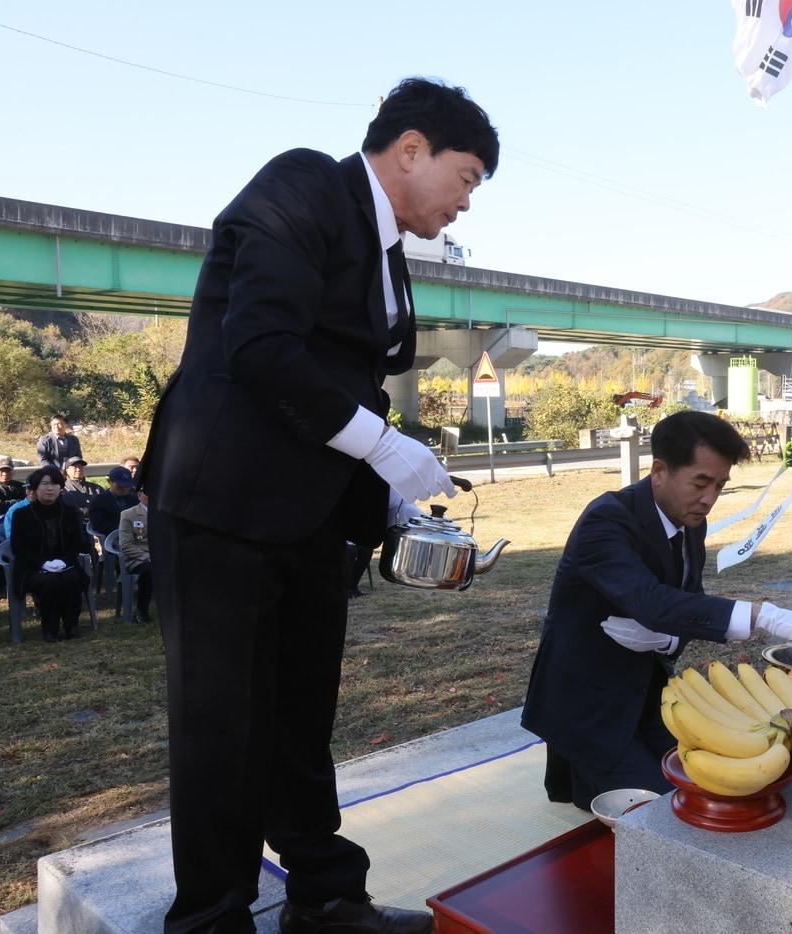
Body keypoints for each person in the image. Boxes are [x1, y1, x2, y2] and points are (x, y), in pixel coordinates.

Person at [139, 76, 498, 934]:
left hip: (305, 514)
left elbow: (349, 382)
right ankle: (213, 916)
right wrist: (382, 445)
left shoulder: (386, 252)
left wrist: (394, 503)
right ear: (411, 149)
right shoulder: (303, 184)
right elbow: (261, 346)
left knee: (302, 714)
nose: (464, 204)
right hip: (221, 504)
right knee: (220, 722)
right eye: (467, 178)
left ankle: (326, 895)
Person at [521, 411, 792, 811]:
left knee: (717, 784)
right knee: (666, 808)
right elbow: (651, 601)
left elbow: (685, 599)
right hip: (588, 707)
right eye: (701, 482)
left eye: (719, 485)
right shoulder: (606, 521)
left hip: (650, 694)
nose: (710, 498)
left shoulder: (690, 521)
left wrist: (670, 637)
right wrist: (762, 615)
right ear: (659, 470)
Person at [9, 466, 88, 642]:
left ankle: (71, 625)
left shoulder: (70, 512)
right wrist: (42, 564)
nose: (50, 488)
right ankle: (50, 628)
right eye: (44, 484)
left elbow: (77, 543)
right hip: (33, 567)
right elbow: (18, 547)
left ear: (61, 488)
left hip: (65, 563)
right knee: (49, 581)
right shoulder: (21, 515)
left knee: (71, 579)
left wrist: (64, 561)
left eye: (54, 484)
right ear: (35, 488)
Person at [118, 491, 154, 624]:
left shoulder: (164, 512)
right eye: (148, 492)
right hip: (138, 559)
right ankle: (141, 611)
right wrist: (147, 556)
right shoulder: (128, 514)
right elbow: (126, 545)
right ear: (139, 495)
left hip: (162, 556)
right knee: (150, 570)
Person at [89, 466, 138, 538]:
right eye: (120, 486)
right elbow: (98, 524)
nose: (124, 489)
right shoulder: (99, 500)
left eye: (127, 486)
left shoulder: (134, 499)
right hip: (111, 537)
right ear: (109, 482)